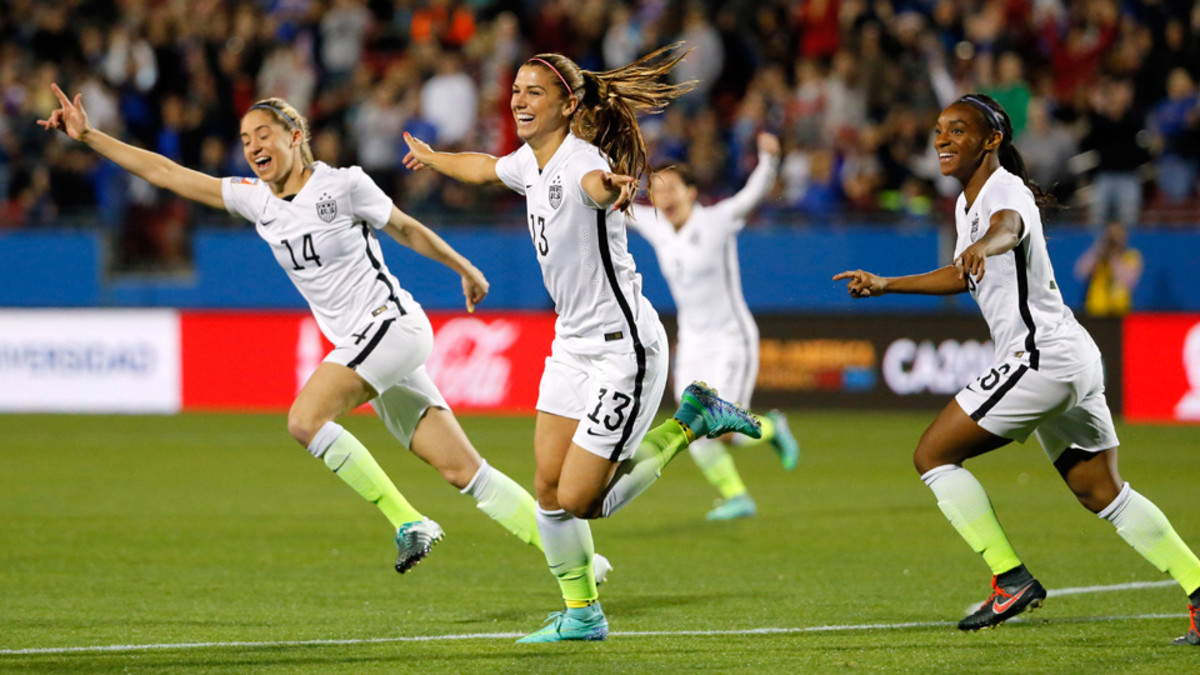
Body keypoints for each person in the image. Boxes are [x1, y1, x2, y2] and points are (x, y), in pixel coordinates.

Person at [36, 84, 618, 582]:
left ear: (295, 134)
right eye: (244, 139)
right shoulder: (256, 202)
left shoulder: (343, 185)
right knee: (465, 472)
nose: (253, 146)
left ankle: (409, 522)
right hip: (367, 347)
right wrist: (90, 137)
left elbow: (406, 229)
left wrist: (464, 268)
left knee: (304, 419)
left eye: (263, 133)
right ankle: (581, 565)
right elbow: (165, 172)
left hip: (392, 328)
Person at [401, 44, 762, 643]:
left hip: (624, 350)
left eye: (534, 92)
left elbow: (597, 185)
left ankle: (692, 420)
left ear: (568, 106)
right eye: (516, 89)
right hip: (571, 345)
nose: (519, 99)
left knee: (585, 499)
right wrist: (437, 159)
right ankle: (583, 614)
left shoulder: (581, 163)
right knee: (547, 490)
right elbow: (486, 167)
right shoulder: (529, 161)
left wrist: (610, 189)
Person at [833, 93, 1200, 645]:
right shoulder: (966, 204)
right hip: (1070, 355)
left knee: (933, 455)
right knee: (1102, 491)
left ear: (992, 139)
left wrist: (987, 243)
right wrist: (888, 284)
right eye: (938, 130)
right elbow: (965, 273)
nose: (942, 139)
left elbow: (1008, 229)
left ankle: (1010, 577)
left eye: (958, 130)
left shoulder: (1005, 193)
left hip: (1040, 357)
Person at [628, 132, 800, 521]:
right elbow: (614, 204)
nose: (663, 196)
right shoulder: (657, 227)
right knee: (691, 423)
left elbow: (750, 197)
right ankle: (737, 496)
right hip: (692, 344)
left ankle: (772, 426)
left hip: (730, 339)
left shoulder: (717, 221)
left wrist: (768, 160)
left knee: (726, 429)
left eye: (672, 187)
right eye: (656, 190)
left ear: (691, 192)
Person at [1074, 222, 1143, 318]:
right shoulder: (1098, 255)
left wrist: (1114, 255)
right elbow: (1080, 272)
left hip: (1120, 311)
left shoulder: (1131, 256)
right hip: (1095, 309)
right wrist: (1099, 248)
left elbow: (1129, 281)